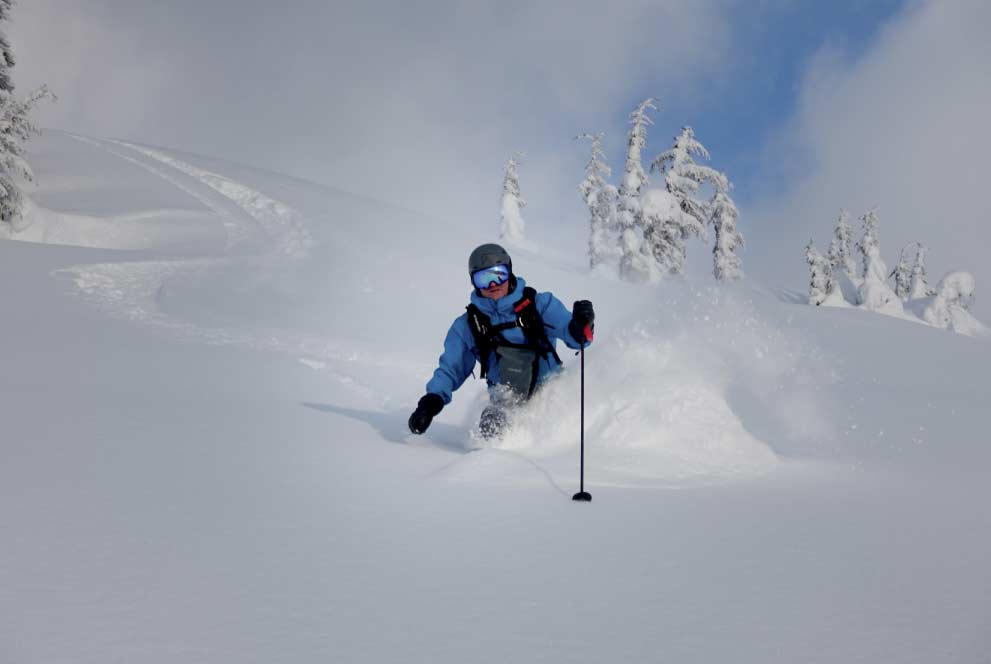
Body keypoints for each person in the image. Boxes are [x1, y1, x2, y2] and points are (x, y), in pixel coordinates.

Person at [408, 243, 594, 439]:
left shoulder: (539, 305)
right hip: (505, 402)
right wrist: (430, 403)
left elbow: (577, 339)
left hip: (551, 393)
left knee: (561, 433)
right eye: (483, 279)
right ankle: (496, 465)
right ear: (473, 282)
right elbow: (451, 369)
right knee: (491, 429)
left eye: (498, 274)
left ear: (509, 272)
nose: (492, 284)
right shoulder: (469, 325)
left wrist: (581, 324)